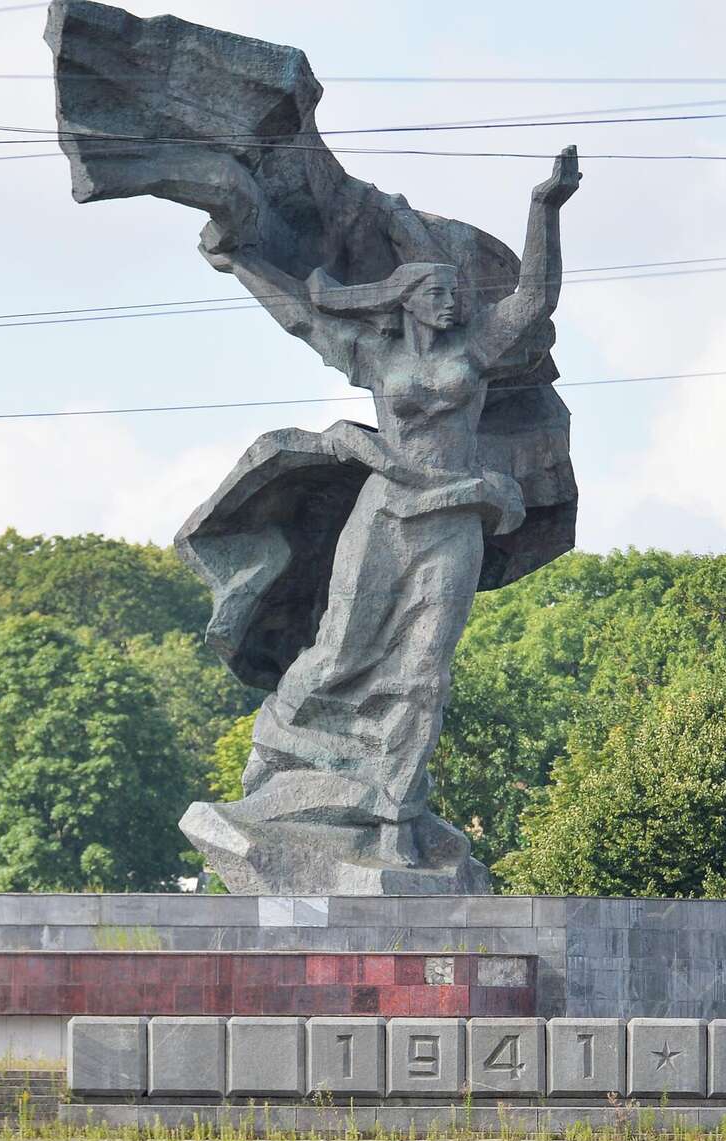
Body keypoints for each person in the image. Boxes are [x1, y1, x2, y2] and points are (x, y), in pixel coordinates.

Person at [183, 146, 579, 875]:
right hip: (387, 519)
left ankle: (393, 814)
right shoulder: (374, 354)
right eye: (440, 294)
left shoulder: (476, 352)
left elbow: (533, 300)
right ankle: (279, 751)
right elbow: (301, 314)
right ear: (408, 300)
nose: (456, 302)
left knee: (425, 670)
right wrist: (238, 259)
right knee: (342, 650)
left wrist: (544, 208)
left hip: (453, 525)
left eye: (457, 293)